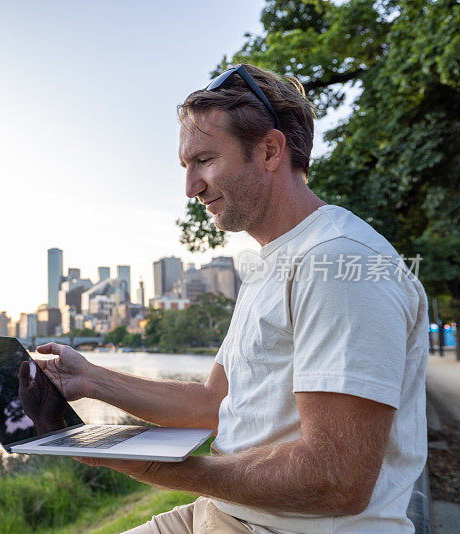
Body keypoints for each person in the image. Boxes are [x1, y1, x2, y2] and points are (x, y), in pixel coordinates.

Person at [36, 64, 429, 533]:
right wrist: (92, 379)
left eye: (203, 160)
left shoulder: (340, 262)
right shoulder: (273, 261)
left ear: (268, 150)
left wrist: (144, 464)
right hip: (221, 513)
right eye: (186, 166)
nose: (190, 188)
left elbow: (336, 478)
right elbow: (215, 402)